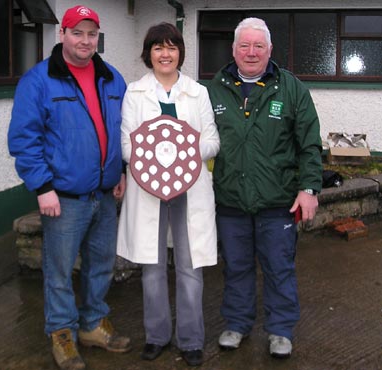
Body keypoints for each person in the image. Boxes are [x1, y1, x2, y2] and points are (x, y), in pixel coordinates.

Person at [8, 5, 131, 370]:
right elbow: (24, 139)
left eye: (91, 34)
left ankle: (93, 323)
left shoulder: (112, 78)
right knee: (59, 271)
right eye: (77, 32)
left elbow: (122, 131)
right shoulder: (39, 81)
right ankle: (62, 333)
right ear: (62, 34)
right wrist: (42, 187)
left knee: (101, 265)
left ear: (98, 38)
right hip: (63, 197)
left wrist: (121, 170)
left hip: (105, 194)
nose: (85, 40)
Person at [207, 17, 322, 358]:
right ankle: (237, 324)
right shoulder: (214, 88)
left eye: (259, 46)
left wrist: (309, 189)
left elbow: (310, 144)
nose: (251, 52)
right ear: (234, 50)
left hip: (278, 202)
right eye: (245, 45)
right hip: (230, 201)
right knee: (236, 267)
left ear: (270, 50)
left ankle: (280, 330)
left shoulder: (291, 88)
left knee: (278, 267)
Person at [116, 22, 220, 367]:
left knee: (190, 268)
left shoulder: (197, 92)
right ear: (149, 54)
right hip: (148, 191)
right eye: (158, 47)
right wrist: (155, 166)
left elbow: (212, 140)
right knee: (152, 266)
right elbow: (128, 144)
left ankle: (191, 340)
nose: (165, 54)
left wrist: (183, 151)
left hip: (189, 190)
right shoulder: (135, 93)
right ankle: (156, 336)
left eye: (172, 47)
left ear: (180, 53)